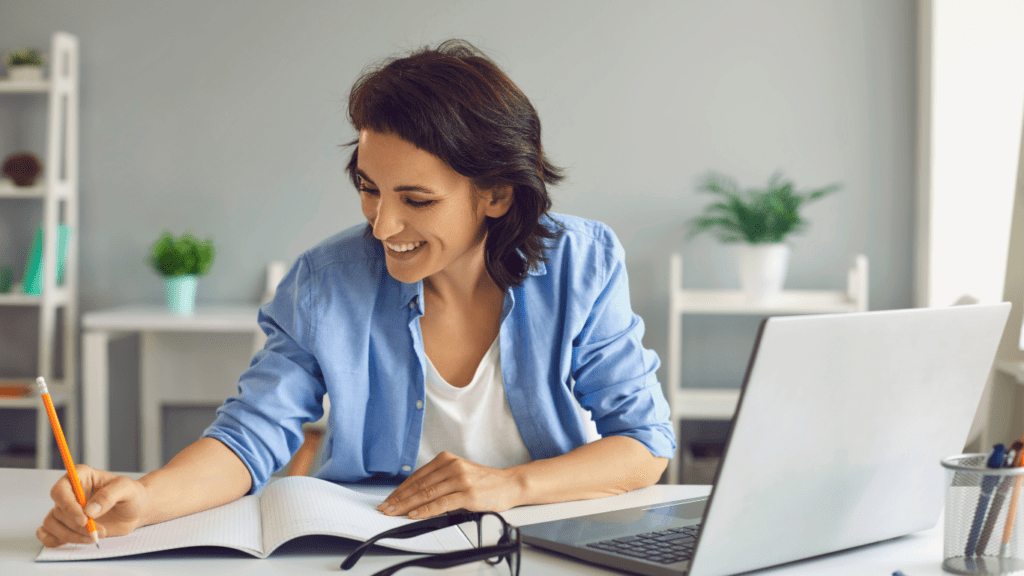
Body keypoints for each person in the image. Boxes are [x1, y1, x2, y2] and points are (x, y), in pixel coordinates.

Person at [37, 39, 675, 548]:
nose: (382, 225)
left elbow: (646, 445)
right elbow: (250, 437)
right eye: (369, 187)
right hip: (367, 547)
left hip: (535, 543)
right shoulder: (326, 279)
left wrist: (506, 486)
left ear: (497, 194)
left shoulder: (579, 262)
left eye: (416, 199)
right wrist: (146, 498)